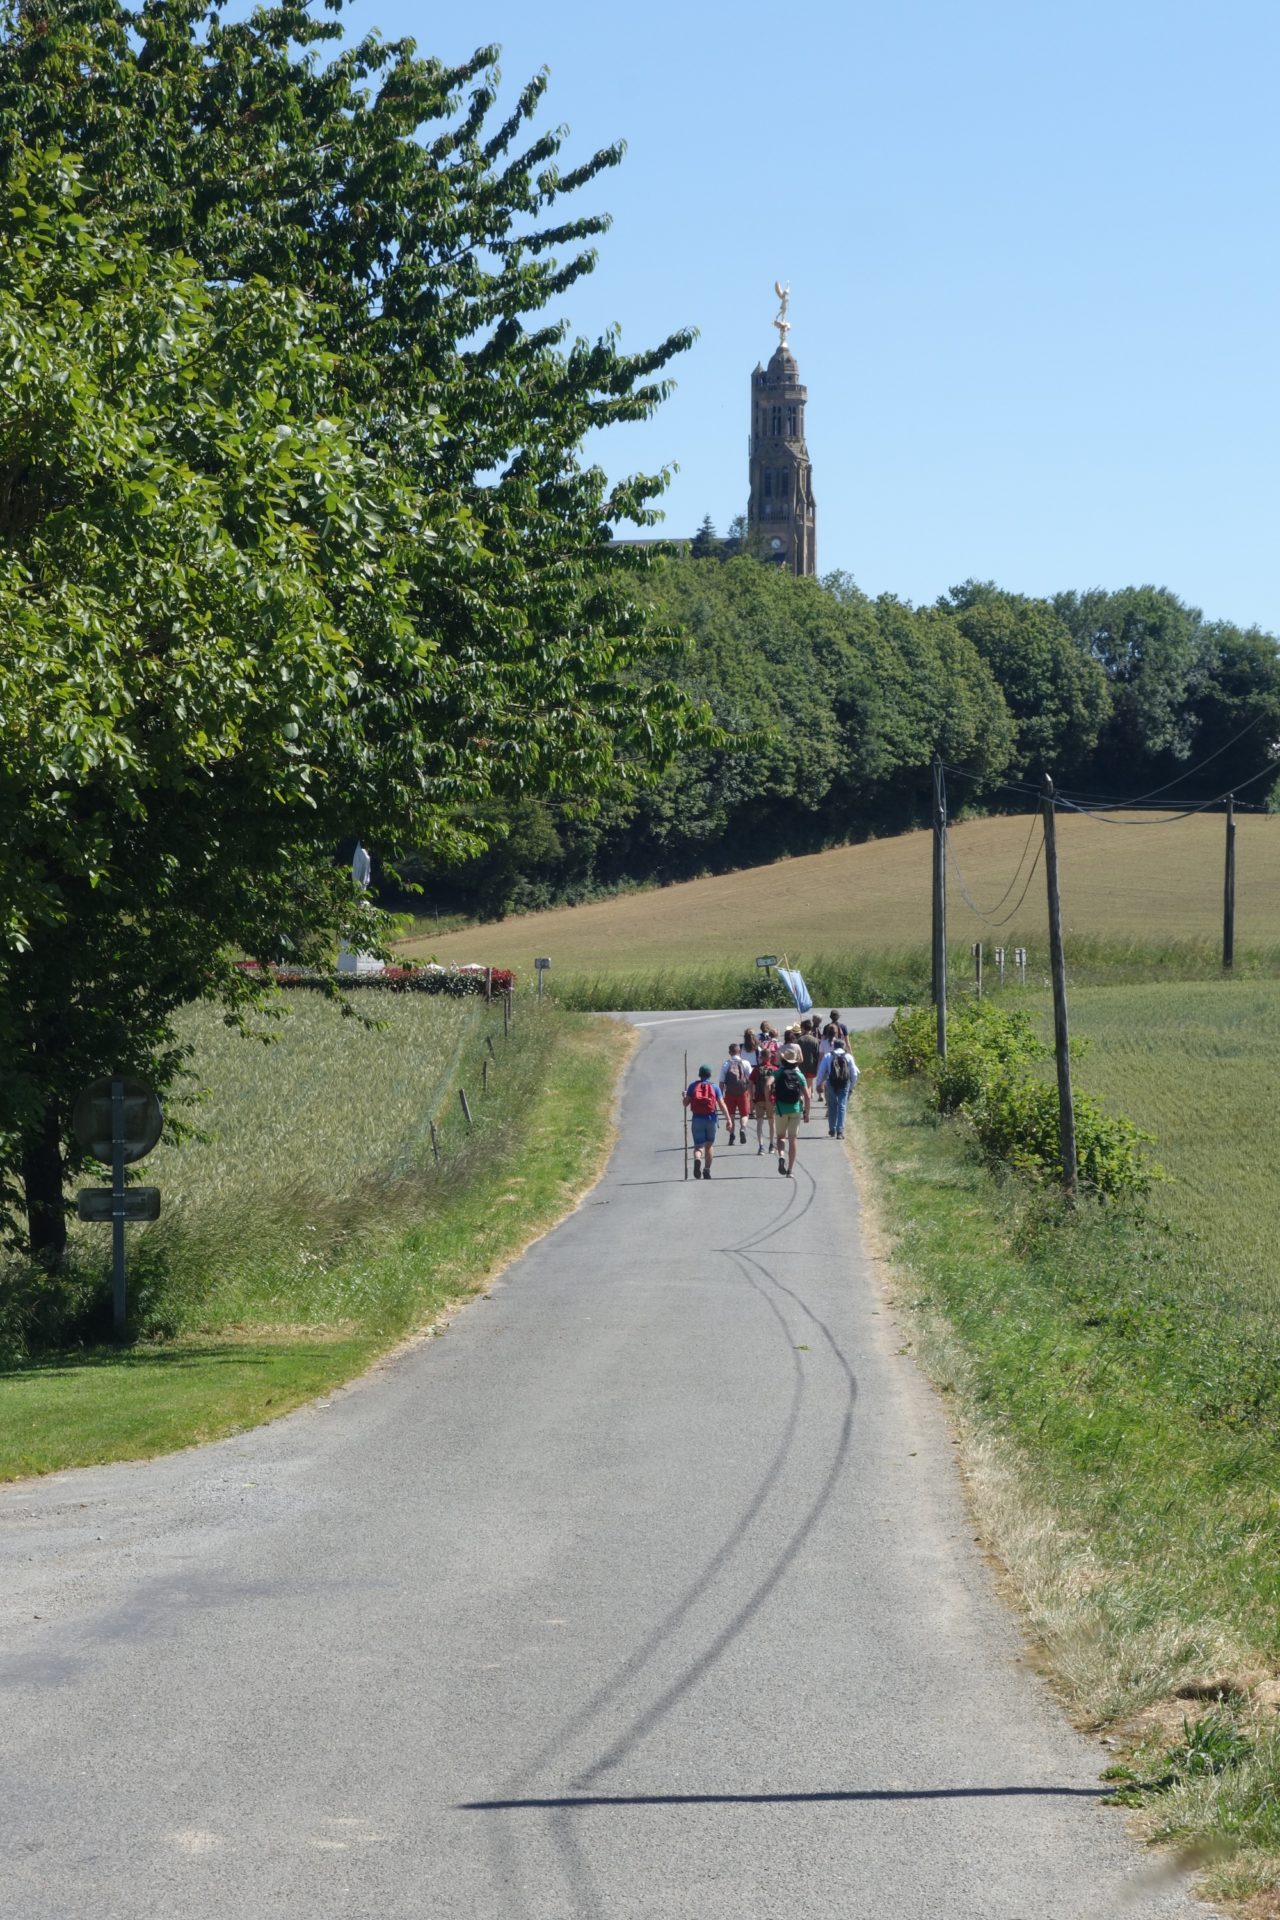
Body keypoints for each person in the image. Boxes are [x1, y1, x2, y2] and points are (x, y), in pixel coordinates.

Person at [684, 1063, 730, 1180]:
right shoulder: (714, 1087)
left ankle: (697, 1159)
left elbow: (685, 1103)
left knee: (698, 1146)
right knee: (709, 1146)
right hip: (711, 1119)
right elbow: (721, 1104)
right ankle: (706, 1170)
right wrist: (728, 1119)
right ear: (710, 1075)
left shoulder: (692, 1086)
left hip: (697, 1119)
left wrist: (684, 1096)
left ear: (699, 1074)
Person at [773, 1042, 810, 1177]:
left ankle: (781, 1155)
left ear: (783, 1060)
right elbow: (807, 1096)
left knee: (780, 1137)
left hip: (780, 1109)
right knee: (793, 1139)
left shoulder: (777, 1073)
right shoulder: (799, 1075)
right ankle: (790, 1170)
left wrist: (769, 1098)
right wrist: (807, 1113)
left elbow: (767, 1084)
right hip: (795, 1109)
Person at [815, 1036, 859, 1139]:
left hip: (831, 1083)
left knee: (832, 1106)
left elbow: (821, 1072)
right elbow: (854, 1073)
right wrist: (852, 1085)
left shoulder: (828, 1056)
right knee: (842, 1106)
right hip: (844, 1084)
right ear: (843, 1046)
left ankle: (832, 1129)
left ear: (834, 1046)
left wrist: (818, 1083)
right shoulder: (848, 1057)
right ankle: (840, 1131)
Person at [719, 1042, 753, 1145]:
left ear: (730, 1052)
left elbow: (721, 1082)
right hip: (743, 1092)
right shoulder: (745, 1063)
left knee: (731, 1115)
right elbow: (750, 1079)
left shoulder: (726, 1064)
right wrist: (751, 1093)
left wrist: (720, 1096)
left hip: (730, 1093)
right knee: (744, 1114)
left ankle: (731, 1136)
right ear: (740, 1051)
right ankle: (742, 1128)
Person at [752, 1045, 777, 1155]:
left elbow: (751, 1084)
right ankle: (771, 1145)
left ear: (761, 1057)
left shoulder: (756, 1070)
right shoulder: (775, 1069)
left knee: (760, 1123)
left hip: (759, 1099)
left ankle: (761, 1147)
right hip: (771, 1099)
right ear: (770, 1057)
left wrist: (752, 1097)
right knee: (772, 1123)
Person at [797, 1019, 821, 1106]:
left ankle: (801, 1098)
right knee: (809, 1086)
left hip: (801, 1067)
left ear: (803, 1028)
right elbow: (817, 1055)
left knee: (801, 1086)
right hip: (811, 1066)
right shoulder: (815, 1041)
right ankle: (808, 1106)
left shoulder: (799, 1040)